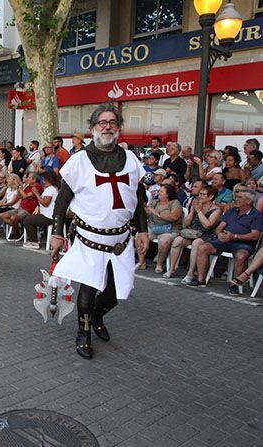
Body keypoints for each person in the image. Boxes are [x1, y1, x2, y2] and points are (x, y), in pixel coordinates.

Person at [50, 102, 149, 360]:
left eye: (112, 123)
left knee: (116, 291)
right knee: (89, 288)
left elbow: (138, 198)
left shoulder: (131, 160)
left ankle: (96, 316)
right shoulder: (79, 161)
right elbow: (62, 201)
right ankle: (83, 333)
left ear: (119, 128)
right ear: (93, 128)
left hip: (121, 238)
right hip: (89, 237)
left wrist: (143, 230)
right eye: (102, 123)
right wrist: (57, 233)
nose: (107, 127)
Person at [189, 188, 263, 295]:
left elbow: (254, 236)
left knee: (241, 256)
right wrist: (220, 234)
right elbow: (220, 227)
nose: (236, 199)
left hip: (244, 243)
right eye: (236, 197)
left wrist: (234, 236)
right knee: (202, 248)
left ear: (248, 201)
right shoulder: (232, 211)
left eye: (239, 197)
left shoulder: (257, 216)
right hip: (226, 240)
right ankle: (201, 280)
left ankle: (235, 285)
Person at [166, 185, 221, 280]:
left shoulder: (216, 210)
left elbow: (208, 225)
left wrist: (199, 212)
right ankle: (171, 269)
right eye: (200, 194)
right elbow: (185, 225)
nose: (200, 196)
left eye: (203, 194)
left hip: (207, 235)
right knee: (178, 240)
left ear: (211, 197)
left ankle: (190, 273)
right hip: (193, 233)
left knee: (196, 243)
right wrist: (192, 212)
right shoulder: (196, 207)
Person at [136, 184, 182, 273]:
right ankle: (141, 262)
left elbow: (174, 217)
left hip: (169, 229)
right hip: (154, 227)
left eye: (161, 191)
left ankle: (159, 264)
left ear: (168, 194)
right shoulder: (155, 202)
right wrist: (146, 211)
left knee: (164, 241)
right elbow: (147, 215)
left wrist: (157, 213)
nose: (159, 193)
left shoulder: (175, 203)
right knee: (139, 235)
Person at [23, 170, 59, 248]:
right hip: (47, 214)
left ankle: (34, 242)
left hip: (49, 216)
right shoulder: (51, 188)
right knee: (30, 218)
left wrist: (36, 194)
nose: (43, 181)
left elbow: (45, 203)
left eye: (44, 179)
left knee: (27, 221)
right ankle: (34, 239)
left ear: (48, 180)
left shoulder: (50, 189)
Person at [0, 171, 40, 239]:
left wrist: (18, 186)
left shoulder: (37, 187)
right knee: (2, 215)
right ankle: (19, 229)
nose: (27, 179)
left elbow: (25, 196)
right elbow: (20, 196)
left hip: (28, 210)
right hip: (21, 208)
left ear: (34, 179)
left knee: (13, 218)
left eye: (29, 177)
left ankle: (16, 232)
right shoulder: (28, 186)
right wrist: (17, 186)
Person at [0, 174, 20, 238]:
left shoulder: (18, 190)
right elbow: (3, 200)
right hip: (7, 206)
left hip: (13, 207)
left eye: (9, 179)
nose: (7, 180)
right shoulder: (8, 189)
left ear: (14, 180)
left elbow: (12, 203)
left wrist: (0, 204)